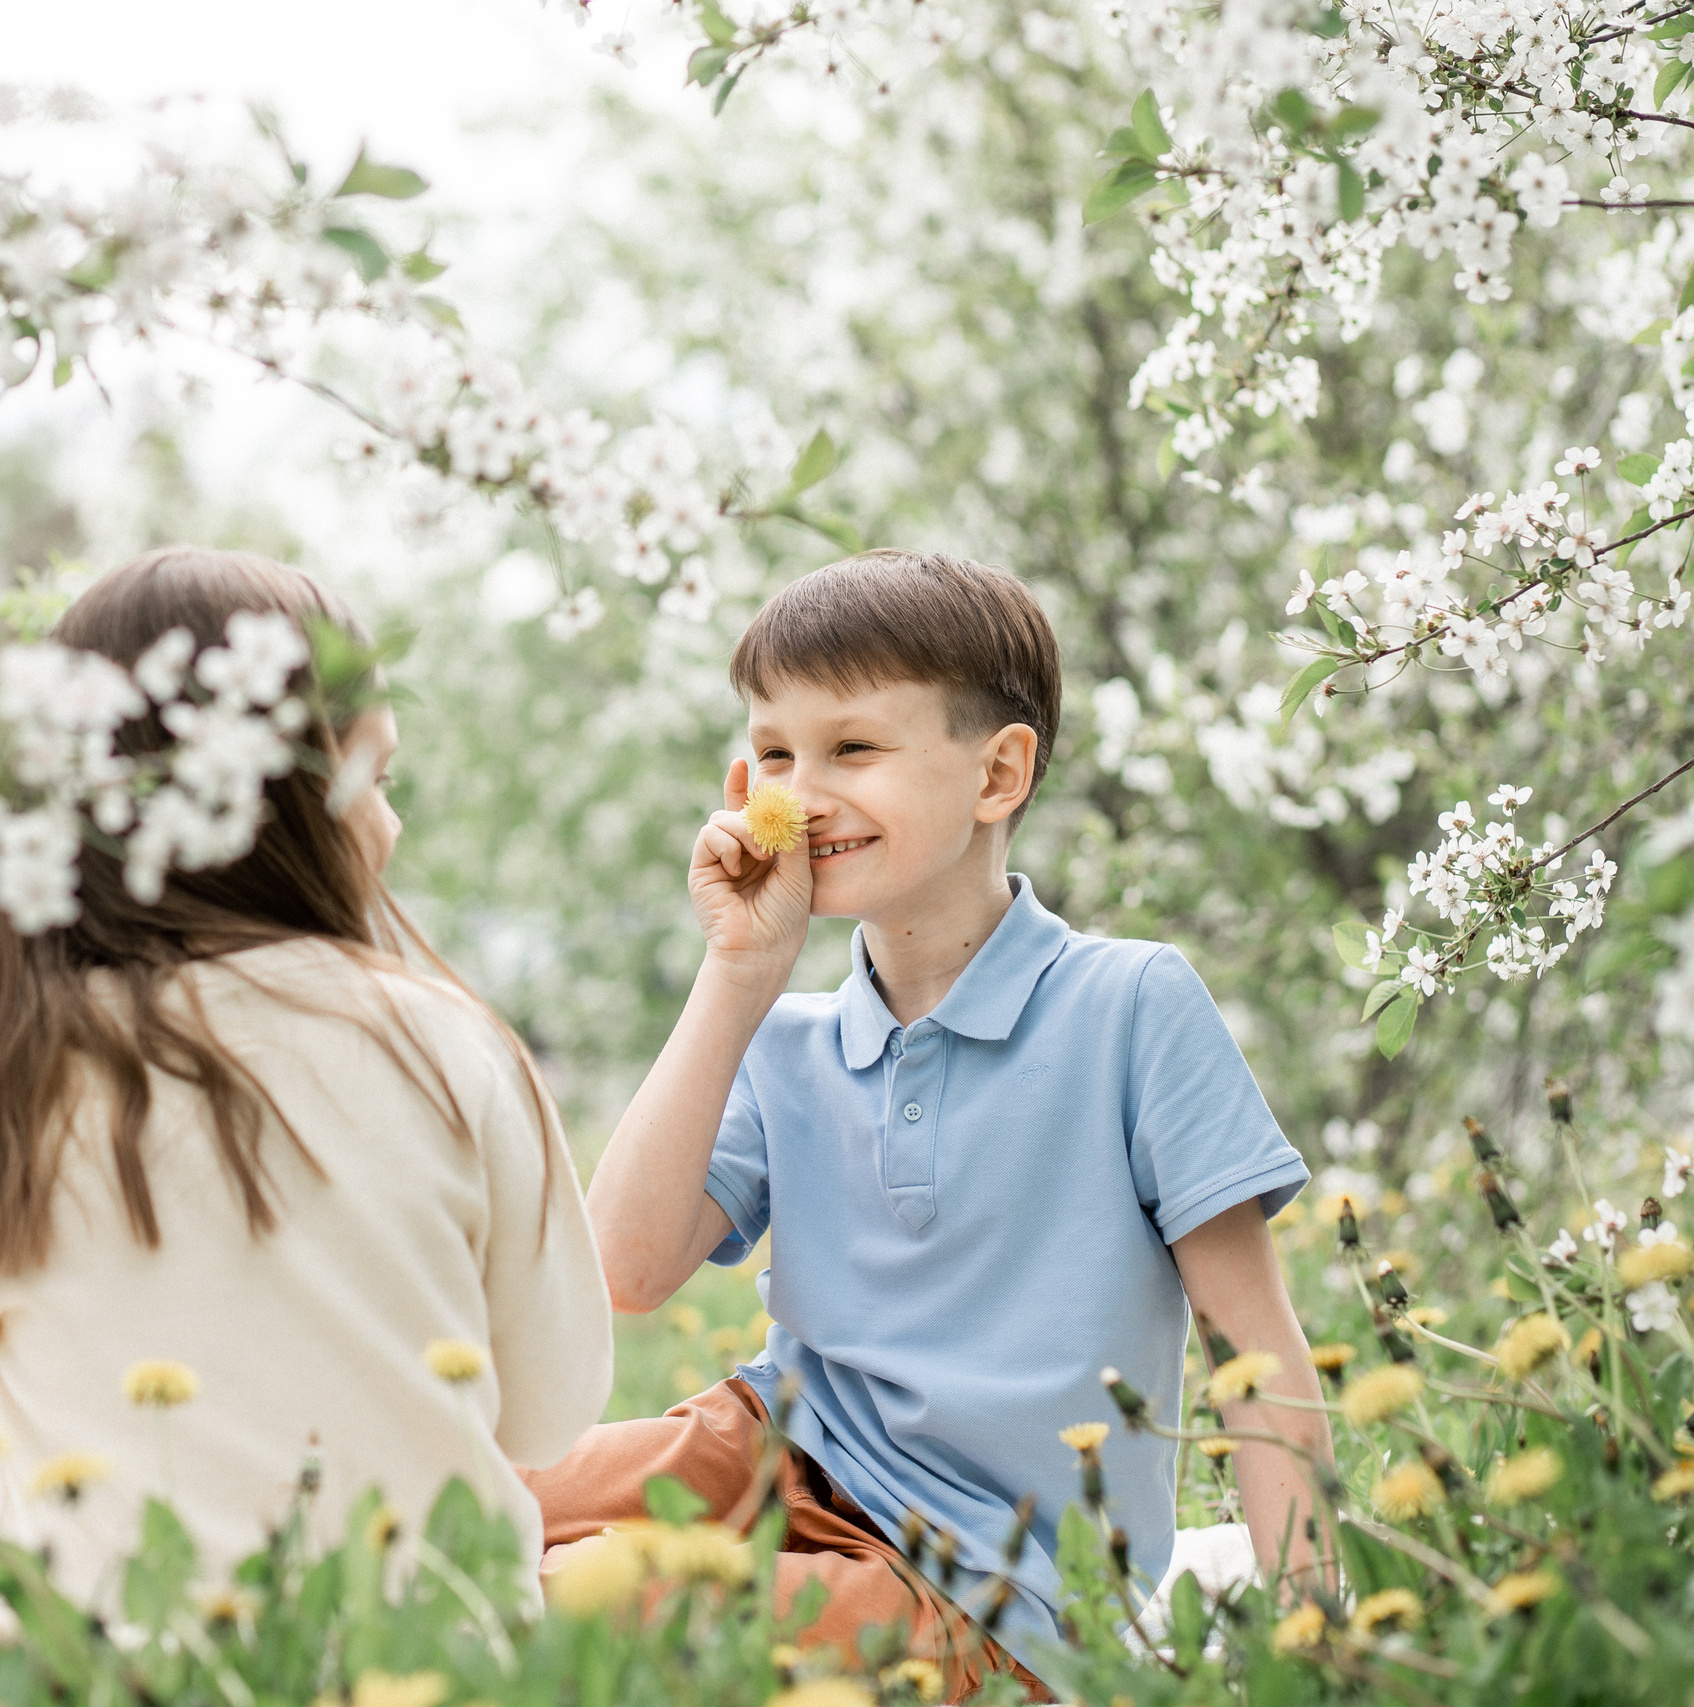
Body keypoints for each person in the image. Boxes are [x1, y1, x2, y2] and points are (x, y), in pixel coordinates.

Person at [0, 548, 614, 1606]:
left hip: (90, 1656)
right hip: (423, 1652)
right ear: (284, 798)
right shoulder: (447, 1043)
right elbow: (552, 1414)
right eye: (378, 779)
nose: (390, 823)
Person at [532, 549, 1328, 1696]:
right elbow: (622, 1270)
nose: (799, 795)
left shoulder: (1130, 1004)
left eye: (852, 748)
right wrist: (738, 971)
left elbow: (1256, 1354)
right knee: (441, 1510)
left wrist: (1316, 1635)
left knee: (582, 1597)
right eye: (772, 754)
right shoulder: (784, 1037)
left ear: (998, 773)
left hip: (984, 1583)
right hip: (768, 1446)